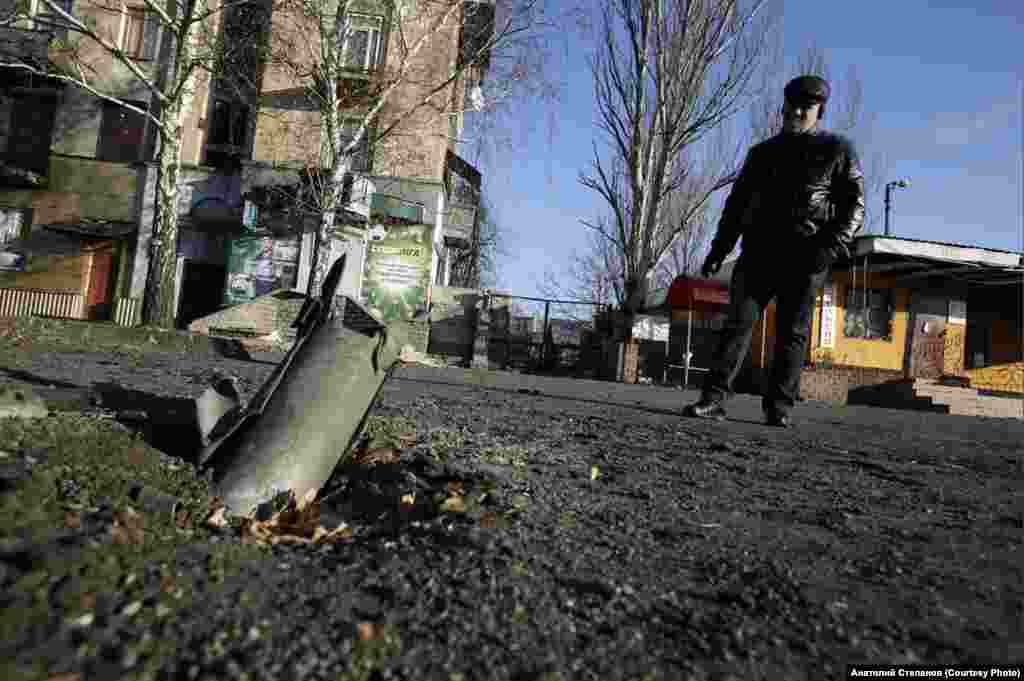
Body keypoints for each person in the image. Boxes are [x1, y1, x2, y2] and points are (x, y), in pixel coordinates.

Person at [683, 75, 865, 428]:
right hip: (758, 255)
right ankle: (713, 398)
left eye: (807, 107)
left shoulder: (837, 150)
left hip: (806, 256)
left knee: (792, 333)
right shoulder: (762, 154)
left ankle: (779, 407)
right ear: (783, 107)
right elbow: (736, 206)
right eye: (793, 105)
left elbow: (853, 206)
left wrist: (828, 248)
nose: (798, 111)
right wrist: (719, 249)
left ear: (819, 111)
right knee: (736, 325)